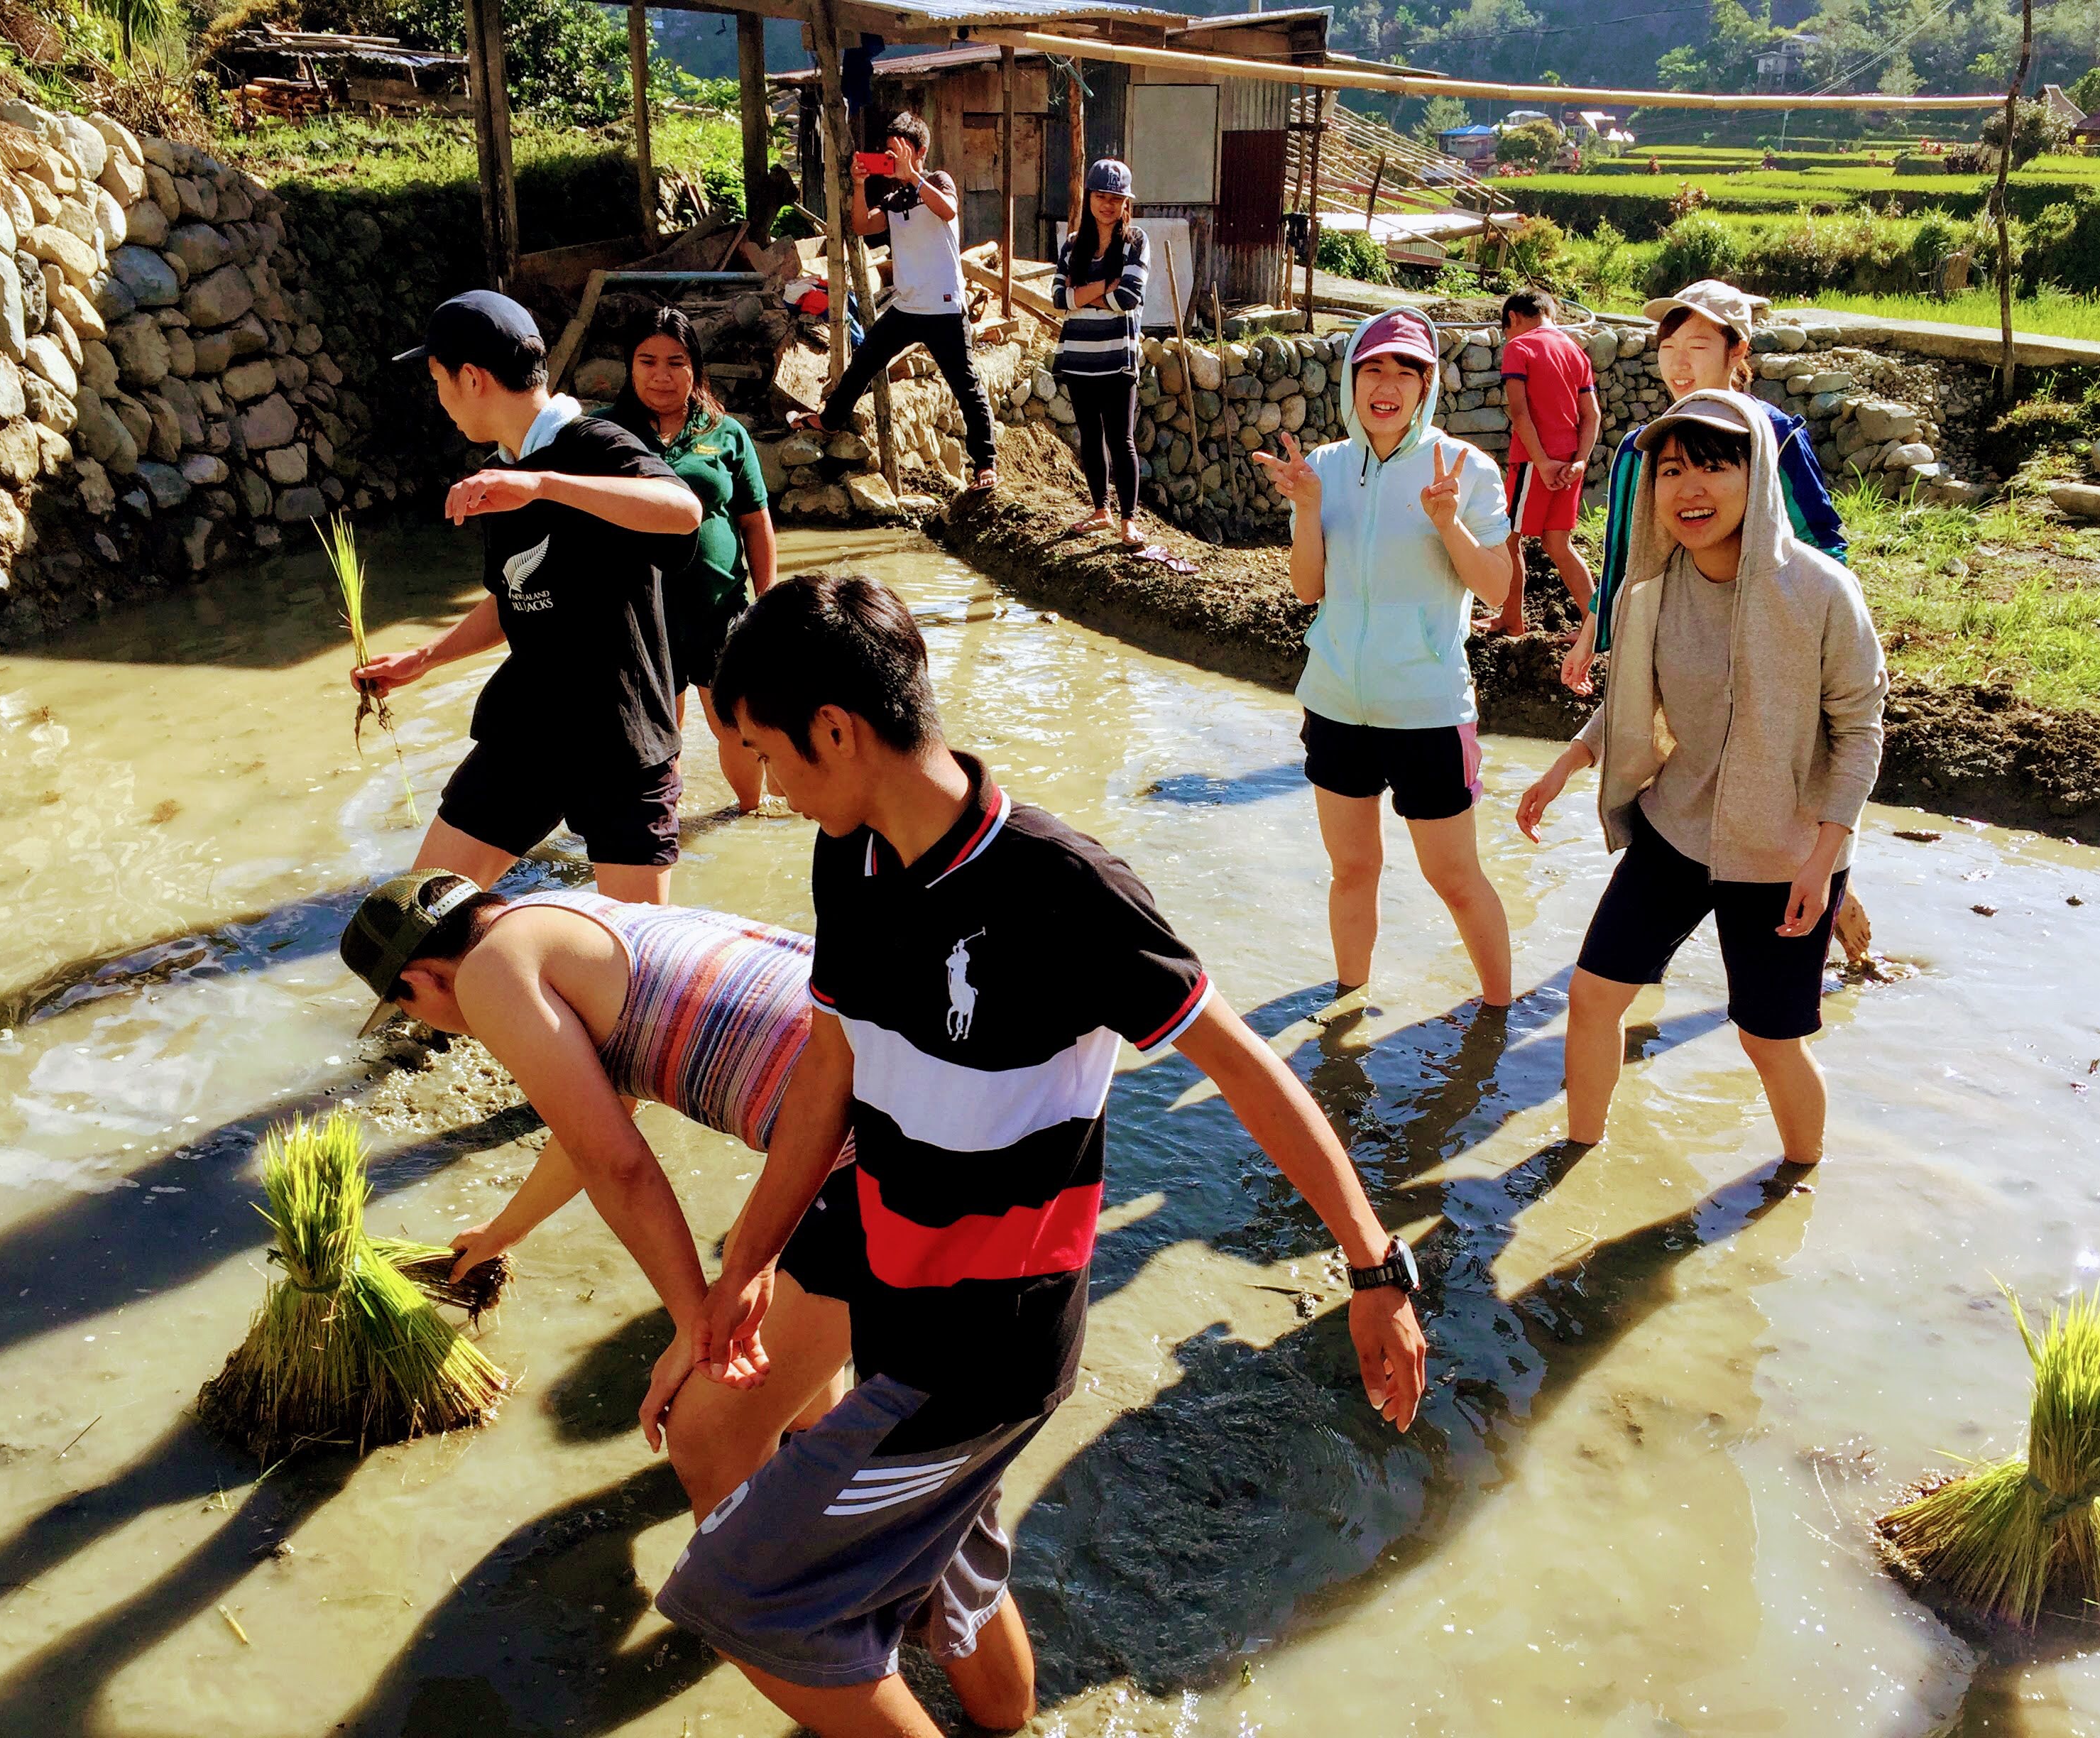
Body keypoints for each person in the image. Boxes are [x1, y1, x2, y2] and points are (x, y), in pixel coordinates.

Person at [646, 572, 1428, 1738]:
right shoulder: (848, 854)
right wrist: (741, 1264)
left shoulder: (1064, 890)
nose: (754, 784)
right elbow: (828, 1067)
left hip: (984, 1344)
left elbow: (1245, 1066)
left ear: (836, 732)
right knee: (868, 1523)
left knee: (744, 1596)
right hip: (881, 1255)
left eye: (761, 750)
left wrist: (1371, 1267)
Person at [1514, 392, 1886, 1166]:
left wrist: (1825, 860)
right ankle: (1572, 1158)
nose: (1690, 489)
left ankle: (1798, 1183)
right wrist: (1568, 763)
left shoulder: (1820, 591)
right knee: (1591, 998)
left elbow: (1859, 732)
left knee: (1768, 1039)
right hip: (1676, 831)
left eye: (1716, 467)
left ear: (1755, 475)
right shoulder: (1650, 592)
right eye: (1671, 469)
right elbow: (1632, 701)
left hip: (1781, 859)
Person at [337, 869, 852, 1421]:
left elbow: (616, 1164)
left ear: (422, 979)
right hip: (902, 1068)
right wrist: (506, 1230)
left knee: (704, 1436)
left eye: (405, 1006)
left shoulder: (489, 973)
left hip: (859, 1129)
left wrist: (691, 1327)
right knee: (792, 1395)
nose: (422, 1021)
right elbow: (593, 1130)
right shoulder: (555, 916)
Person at [353, 291, 706, 903]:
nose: (439, 401)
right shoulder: (501, 469)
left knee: (636, 965)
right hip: (531, 731)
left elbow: (683, 511)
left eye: (438, 382)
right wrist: (426, 659)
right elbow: (514, 591)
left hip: (621, 740)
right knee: (417, 920)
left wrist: (541, 485)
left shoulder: (593, 442)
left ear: (471, 378)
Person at [1558, 278, 1869, 960]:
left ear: (1738, 352)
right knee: (1680, 777)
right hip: (1678, 635)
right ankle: (1647, 959)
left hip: (1772, 650)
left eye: (1698, 345)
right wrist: (1594, 631)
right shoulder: (1647, 446)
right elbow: (1626, 557)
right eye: (1668, 347)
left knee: (1786, 791)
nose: (1679, 362)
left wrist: (1794, 616)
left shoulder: (1770, 437)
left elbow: (1825, 540)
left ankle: (1824, 882)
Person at [1251, 307, 1516, 1010]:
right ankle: (1346, 1011)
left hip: (1428, 709)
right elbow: (1308, 587)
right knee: (1351, 870)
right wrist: (1307, 507)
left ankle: (1498, 1017)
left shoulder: (1466, 468)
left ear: (1428, 385)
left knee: (1455, 879)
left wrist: (1447, 522)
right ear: (1351, 379)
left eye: (1407, 370)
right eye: (1374, 368)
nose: (1388, 383)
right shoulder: (1327, 469)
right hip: (1337, 702)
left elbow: (1496, 588)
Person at [603, 305, 777, 813]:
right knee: (659, 732)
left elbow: (755, 521)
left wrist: (768, 605)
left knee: (738, 727)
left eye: (676, 362)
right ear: (629, 366)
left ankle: (750, 814)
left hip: (720, 609)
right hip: (639, 613)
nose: (662, 375)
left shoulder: (725, 433)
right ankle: (665, 826)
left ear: (695, 368)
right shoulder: (603, 434)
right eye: (648, 360)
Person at [797, 114, 997, 491]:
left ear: (919, 151)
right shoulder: (894, 198)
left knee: (966, 385)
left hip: (944, 307)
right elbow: (861, 226)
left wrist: (912, 175)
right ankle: (832, 418)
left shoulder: (937, 182)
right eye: (886, 153)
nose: (890, 159)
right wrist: (860, 185)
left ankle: (985, 463)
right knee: (866, 359)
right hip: (907, 307)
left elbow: (948, 210)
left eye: (897, 152)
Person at [1050, 157, 1152, 545]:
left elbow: (1128, 296)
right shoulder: (1074, 245)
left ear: (1126, 202)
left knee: (1121, 439)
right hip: (1077, 355)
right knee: (1089, 437)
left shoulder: (1135, 241)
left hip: (1118, 356)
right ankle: (1100, 510)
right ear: (1088, 197)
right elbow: (1059, 298)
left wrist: (1082, 296)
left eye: (1116, 197)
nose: (1108, 204)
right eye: (1101, 195)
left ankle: (1129, 520)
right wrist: (1100, 288)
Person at [1489, 288, 1600, 636]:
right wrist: (1579, 463)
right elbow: (1592, 415)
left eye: (1506, 328)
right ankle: (1595, 625)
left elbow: (1520, 414)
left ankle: (1511, 620)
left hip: (1534, 463)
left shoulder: (1518, 348)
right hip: (1570, 465)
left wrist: (1542, 463)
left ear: (1513, 319)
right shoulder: (1576, 352)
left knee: (1508, 539)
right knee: (1558, 544)